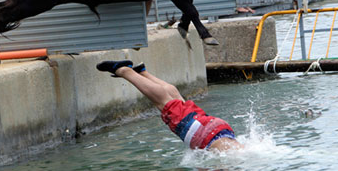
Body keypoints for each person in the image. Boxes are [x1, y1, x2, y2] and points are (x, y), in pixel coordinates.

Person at [96, 60, 244, 152]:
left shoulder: (246, 151)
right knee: (164, 103)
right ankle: (124, 71)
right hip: (202, 134)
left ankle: (143, 73)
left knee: (177, 101)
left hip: (218, 128)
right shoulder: (233, 160)